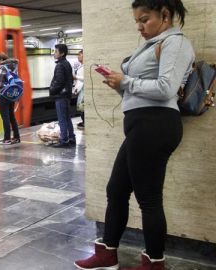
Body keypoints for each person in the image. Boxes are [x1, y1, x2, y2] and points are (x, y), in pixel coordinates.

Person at [75, 1, 194, 269]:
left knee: (148, 199)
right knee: (116, 189)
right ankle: (107, 253)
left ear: (165, 14)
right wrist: (119, 85)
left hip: (156, 124)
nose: (139, 27)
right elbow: (138, 90)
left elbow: (166, 88)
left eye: (144, 19)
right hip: (141, 125)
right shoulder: (151, 44)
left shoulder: (175, 43)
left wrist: (126, 81)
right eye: (136, 21)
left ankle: (154, 262)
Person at [49, 43, 75, 147]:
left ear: (62, 53)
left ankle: (64, 140)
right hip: (66, 94)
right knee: (67, 118)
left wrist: (52, 90)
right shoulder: (67, 63)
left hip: (61, 95)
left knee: (62, 119)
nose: (54, 53)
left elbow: (59, 81)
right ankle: (71, 138)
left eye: (56, 51)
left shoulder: (60, 65)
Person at [0, 52, 20, 145]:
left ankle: (7, 139)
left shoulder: (2, 67)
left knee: (5, 117)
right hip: (12, 94)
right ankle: (16, 137)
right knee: (12, 116)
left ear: (0, 60)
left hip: (3, 95)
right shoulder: (14, 66)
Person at [73, 50, 84, 130]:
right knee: (81, 108)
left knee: (83, 107)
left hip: (84, 90)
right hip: (80, 89)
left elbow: (84, 78)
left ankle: (85, 122)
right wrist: (75, 89)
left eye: (80, 55)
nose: (78, 56)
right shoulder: (81, 65)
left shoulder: (85, 66)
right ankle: (84, 121)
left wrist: (76, 77)